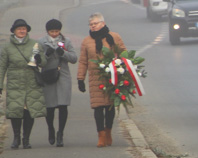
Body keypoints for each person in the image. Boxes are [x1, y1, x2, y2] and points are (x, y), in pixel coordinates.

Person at [77, 13, 127, 147]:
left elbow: (123, 53)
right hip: (95, 78)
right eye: (91, 24)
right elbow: (83, 61)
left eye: (95, 24)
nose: (93, 26)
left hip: (111, 76)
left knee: (109, 107)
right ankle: (101, 135)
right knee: (98, 107)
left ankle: (108, 131)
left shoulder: (114, 37)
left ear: (103, 23)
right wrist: (80, 78)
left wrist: (123, 67)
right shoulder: (87, 41)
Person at [0, 19, 47, 149]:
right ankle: (16, 138)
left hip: (31, 82)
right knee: (16, 110)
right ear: (14, 31)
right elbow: (2, 67)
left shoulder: (35, 44)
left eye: (24, 29)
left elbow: (43, 63)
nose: (22, 31)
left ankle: (26, 139)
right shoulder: (7, 48)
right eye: (19, 29)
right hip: (15, 83)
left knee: (29, 111)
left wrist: (39, 59)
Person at [38, 19, 78, 147]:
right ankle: (51, 128)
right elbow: (38, 62)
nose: (54, 33)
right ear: (47, 31)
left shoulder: (66, 41)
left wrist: (63, 53)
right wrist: (46, 55)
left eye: (56, 31)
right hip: (48, 76)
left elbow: (74, 58)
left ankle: (60, 133)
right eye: (52, 31)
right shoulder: (41, 42)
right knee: (49, 107)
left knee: (63, 105)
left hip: (63, 76)